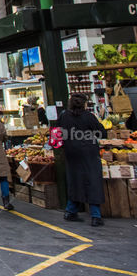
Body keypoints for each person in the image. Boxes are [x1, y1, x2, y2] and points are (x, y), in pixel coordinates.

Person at [55, 93, 105, 226]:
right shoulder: (89, 117)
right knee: (93, 181)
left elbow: (55, 135)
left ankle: (70, 211)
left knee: (75, 181)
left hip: (71, 153)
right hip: (89, 153)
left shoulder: (64, 116)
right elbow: (101, 132)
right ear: (84, 104)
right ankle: (96, 216)